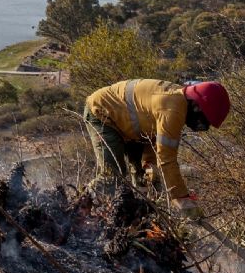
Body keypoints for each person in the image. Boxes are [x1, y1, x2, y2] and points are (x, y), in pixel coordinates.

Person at [83, 79, 230, 219]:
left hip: (131, 129)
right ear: (197, 107)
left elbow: (152, 140)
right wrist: (184, 202)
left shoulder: (177, 101)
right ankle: (78, 207)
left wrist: (149, 167)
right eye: (204, 122)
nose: (202, 127)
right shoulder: (173, 109)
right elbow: (166, 160)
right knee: (113, 176)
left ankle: (138, 217)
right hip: (102, 113)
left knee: (145, 177)